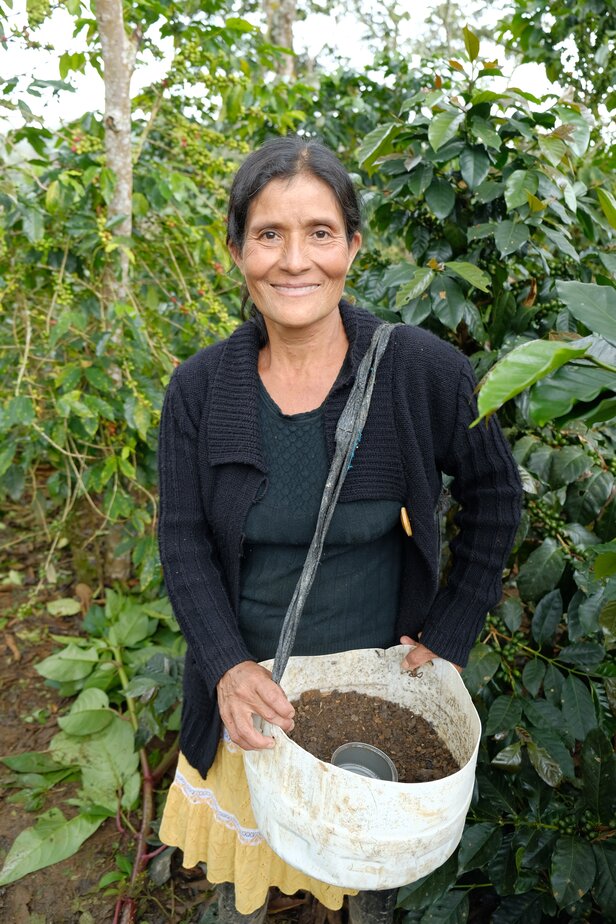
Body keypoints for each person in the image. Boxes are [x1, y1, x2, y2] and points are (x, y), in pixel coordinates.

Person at [157, 135, 522, 922]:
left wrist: (452, 627)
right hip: (253, 705)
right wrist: (224, 665)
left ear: (354, 245)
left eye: (320, 232)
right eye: (268, 235)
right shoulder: (199, 389)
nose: (295, 261)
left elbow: (495, 494)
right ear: (237, 251)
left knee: (364, 888)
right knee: (244, 889)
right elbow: (182, 540)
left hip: (374, 701)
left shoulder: (421, 373)